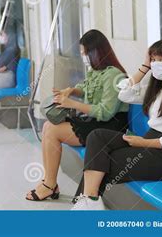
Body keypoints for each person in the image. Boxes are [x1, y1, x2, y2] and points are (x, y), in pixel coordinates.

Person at [72, 38, 162, 210]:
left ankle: (86, 205)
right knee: (97, 137)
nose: (156, 64)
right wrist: (145, 67)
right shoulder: (159, 87)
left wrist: (144, 143)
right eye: (153, 60)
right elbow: (124, 94)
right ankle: (90, 201)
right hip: (147, 143)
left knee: (100, 161)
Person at [25, 29, 129, 202]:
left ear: (96, 51)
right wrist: (72, 90)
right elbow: (87, 88)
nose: (83, 57)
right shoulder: (96, 71)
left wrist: (72, 103)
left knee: (52, 130)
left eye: (85, 53)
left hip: (110, 126)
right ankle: (49, 182)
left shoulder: (115, 76)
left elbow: (105, 112)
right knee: (47, 126)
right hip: (95, 121)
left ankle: (49, 186)